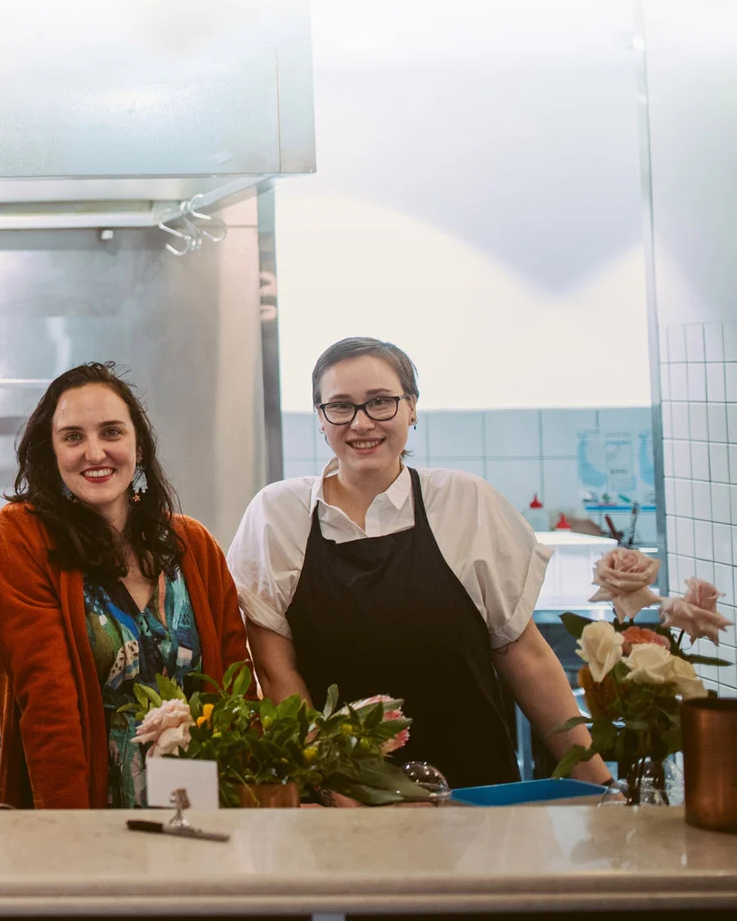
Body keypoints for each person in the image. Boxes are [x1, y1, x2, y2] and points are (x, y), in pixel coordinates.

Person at [229, 337, 608, 788]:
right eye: (341, 406)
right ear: (320, 417)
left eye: (380, 402)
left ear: (411, 407)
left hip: (475, 792)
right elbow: (276, 674)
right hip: (343, 799)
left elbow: (523, 655)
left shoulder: (466, 501)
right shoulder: (278, 514)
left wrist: (600, 785)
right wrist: (329, 788)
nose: (361, 423)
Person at [0, 363, 249, 808]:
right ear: (52, 452)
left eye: (111, 432)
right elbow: (47, 701)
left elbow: (236, 694)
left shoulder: (195, 545)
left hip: (196, 810)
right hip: (88, 805)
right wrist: (70, 832)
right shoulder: (23, 535)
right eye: (73, 437)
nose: (94, 453)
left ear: (138, 445)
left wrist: (246, 813)